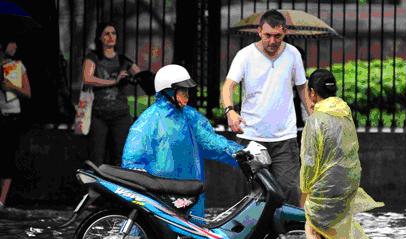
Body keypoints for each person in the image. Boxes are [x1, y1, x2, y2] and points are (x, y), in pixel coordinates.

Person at [122, 64, 243, 218]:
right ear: (168, 91)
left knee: (192, 234)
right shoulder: (147, 123)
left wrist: (238, 153)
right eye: (183, 90)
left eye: (187, 90)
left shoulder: (190, 117)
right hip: (159, 195)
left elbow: (210, 142)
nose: (187, 95)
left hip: (189, 192)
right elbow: (131, 163)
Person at [221, 9, 311, 206]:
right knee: (251, 194)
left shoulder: (293, 54)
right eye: (268, 35)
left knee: (289, 191)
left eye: (277, 36)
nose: (272, 41)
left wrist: (313, 115)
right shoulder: (245, 55)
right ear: (259, 31)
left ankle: (286, 235)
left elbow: (302, 86)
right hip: (250, 136)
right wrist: (230, 111)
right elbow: (228, 86)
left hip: (284, 139)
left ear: (285, 32)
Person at [300, 69, 384, 239]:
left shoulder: (315, 120)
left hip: (327, 183)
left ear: (312, 92)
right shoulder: (345, 113)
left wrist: (304, 191)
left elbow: (310, 162)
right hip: (350, 179)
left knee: (311, 228)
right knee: (330, 226)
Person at [82, 21, 141, 166]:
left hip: (120, 115)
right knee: (96, 156)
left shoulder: (123, 60)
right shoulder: (93, 57)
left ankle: (115, 188)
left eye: (113, 33)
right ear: (100, 38)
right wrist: (114, 82)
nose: (110, 36)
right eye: (106, 34)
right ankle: (95, 187)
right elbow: (87, 79)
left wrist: (131, 78)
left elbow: (141, 76)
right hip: (98, 114)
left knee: (120, 156)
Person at [0, 39, 31, 208]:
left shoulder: (17, 66)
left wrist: (12, 87)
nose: (15, 46)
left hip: (11, 115)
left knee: (8, 157)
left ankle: (1, 200)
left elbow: (27, 92)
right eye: (12, 43)